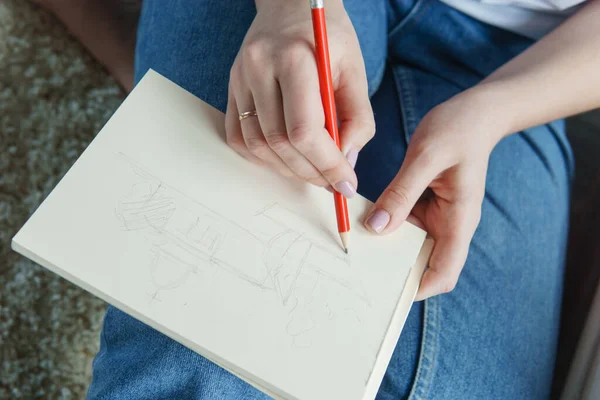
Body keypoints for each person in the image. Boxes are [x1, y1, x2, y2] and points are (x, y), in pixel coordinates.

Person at [64, 0, 598, 398]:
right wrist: (289, 9)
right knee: (198, 333)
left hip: (533, 58)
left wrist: (494, 114)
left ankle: (141, 54)